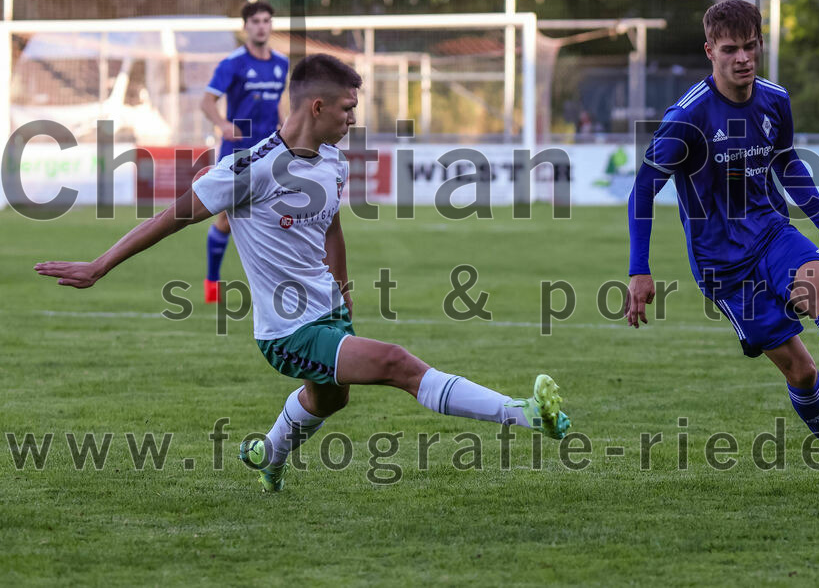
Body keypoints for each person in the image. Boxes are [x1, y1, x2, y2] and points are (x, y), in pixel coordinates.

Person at [36, 54, 570, 493]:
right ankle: (523, 413)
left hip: (328, 311)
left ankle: (269, 454)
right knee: (395, 363)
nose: (353, 118)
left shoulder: (332, 161)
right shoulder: (250, 169)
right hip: (286, 331)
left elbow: (332, 229)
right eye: (347, 107)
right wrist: (99, 265)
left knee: (328, 400)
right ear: (318, 106)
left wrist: (342, 288)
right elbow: (169, 218)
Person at [624, 0, 819, 487]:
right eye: (730, 49)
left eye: (750, 46)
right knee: (801, 372)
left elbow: (787, 163)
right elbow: (644, 187)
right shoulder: (687, 117)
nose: (742, 58)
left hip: (772, 232)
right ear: (710, 51)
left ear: (760, 45)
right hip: (722, 267)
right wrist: (638, 270)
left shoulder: (774, 99)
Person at [199, 1, 289, 304]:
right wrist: (223, 124)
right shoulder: (233, 63)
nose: (262, 26)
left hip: (272, 151)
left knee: (279, 216)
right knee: (226, 219)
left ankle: (277, 286)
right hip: (238, 152)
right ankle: (211, 282)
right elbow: (207, 101)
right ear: (246, 27)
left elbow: (277, 101)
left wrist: (287, 127)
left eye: (266, 20)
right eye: (256, 21)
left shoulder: (282, 62)